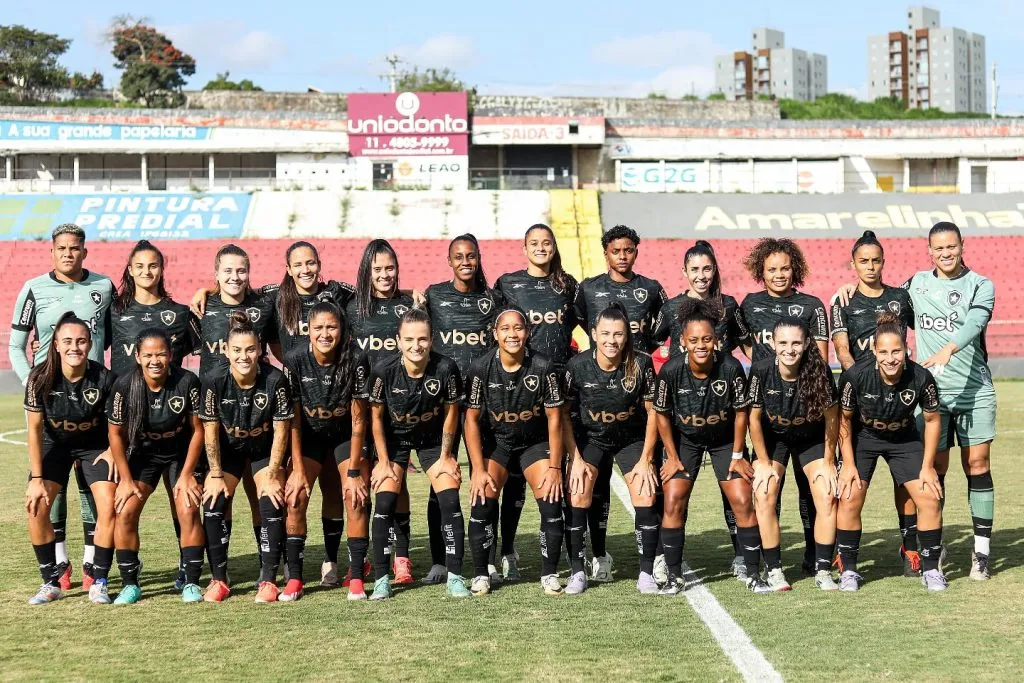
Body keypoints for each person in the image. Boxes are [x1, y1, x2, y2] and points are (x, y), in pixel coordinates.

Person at [834, 222, 997, 581]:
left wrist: (947, 350)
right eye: (938, 249)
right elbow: (879, 296)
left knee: (978, 463)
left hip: (973, 389)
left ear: (962, 245)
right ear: (929, 251)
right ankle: (923, 549)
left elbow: (974, 323)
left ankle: (981, 551)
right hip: (931, 394)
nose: (945, 253)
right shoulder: (915, 286)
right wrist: (853, 289)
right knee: (930, 472)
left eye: (951, 247)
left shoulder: (982, 285)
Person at [11, 224, 114, 593]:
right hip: (48, 403)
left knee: (92, 487)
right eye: (62, 248)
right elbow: (15, 347)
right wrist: (35, 387)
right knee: (47, 488)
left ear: (84, 252)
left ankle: (91, 564)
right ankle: (58, 563)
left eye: (75, 248)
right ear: (52, 252)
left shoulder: (103, 287)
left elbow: (117, 342)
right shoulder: (33, 290)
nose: (68, 253)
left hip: (91, 399)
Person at [652, 299, 770, 594]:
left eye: (706, 339)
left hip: (724, 441)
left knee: (742, 500)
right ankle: (674, 575)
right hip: (685, 440)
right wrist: (672, 455)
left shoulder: (731, 368)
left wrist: (738, 454)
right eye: (693, 340)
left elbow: (741, 412)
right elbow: (662, 415)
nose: (701, 345)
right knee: (673, 499)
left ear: (716, 339)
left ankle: (755, 573)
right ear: (682, 341)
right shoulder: (670, 371)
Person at [652, 239, 751, 580]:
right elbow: (650, 344)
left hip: (721, 408)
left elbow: (748, 346)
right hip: (684, 416)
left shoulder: (728, 305)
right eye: (694, 269)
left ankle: (742, 556)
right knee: (676, 493)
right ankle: (669, 560)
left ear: (715, 271)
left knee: (734, 493)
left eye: (707, 268)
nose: (701, 275)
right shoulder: (671, 308)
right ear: (684, 272)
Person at [574, 224, 667, 583]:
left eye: (629, 250)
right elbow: (581, 323)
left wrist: (638, 359)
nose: (623, 256)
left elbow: (664, 327)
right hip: (598, 386)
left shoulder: (652, 289)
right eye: (616, 250)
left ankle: (656, 555)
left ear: (636, 252)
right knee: (593, 490)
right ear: (606, 253)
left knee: (648, 480)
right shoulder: (590, 288)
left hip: (636, 386)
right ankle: (599, 556)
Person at [491, 224, 579, 581]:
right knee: (513, 477)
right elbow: (495, 328)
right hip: (518, 389)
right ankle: (508, 548)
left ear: (554, 247)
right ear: (524, 248)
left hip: (558, 392)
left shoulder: (568, 285)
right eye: (534, 243)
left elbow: (585, 325)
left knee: (561, 472)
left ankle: (576, 547)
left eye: (546, 243)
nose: (541, 248)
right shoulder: (507, 284)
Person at [110, 239, 200, 589]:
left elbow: (209, 346)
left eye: (154, 265)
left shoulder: (177, 313)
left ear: (162, 270)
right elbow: (83, 344)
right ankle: (104, 572)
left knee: (185, 502)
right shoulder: (114, 310)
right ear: (130, 270)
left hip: (176, 423)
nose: (147, 272)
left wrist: (207, 291)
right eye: (140, 266)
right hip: (132, 430)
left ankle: (187, 569)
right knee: (118, 503)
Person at [830, 230, 920, 577]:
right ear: (853, 264)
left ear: (884, 262)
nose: (870, 266)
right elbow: (841, 349)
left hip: (898, 406)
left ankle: (909, 547)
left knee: (907, 484)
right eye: (863, 261)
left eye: (876, 260)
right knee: (850, 484)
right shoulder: (842, 301)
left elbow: (921, 331)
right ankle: (845, 553)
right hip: (858, 405)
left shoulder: (900, 298)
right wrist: (865, 387)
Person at [836, 312, 947, 591]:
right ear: (873, 350)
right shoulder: (855, 376)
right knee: (849, 497)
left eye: (896, 350)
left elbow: (932, 420)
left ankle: (931, 569)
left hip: (904, 440)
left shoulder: (922, 377)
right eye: (883, 351)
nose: (890, 358)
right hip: (864, 438)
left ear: (906, 350)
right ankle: (849, 570)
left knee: (930, 498)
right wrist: (848, 464)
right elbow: (844, 421)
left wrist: (928, 465)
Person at [366, 308, 470, 599]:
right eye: (409, 339)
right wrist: (384, 461)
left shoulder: (446, 368)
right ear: (398, 341)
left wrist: (448, 455)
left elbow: (452, 413)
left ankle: (455, 577)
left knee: (450, 500)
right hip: (394, 442)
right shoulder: (383, 371)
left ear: (431, 340)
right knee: (385, 501)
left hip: (433, 441)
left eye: (422, 339)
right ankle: (382, 580)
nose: (416, 346)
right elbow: (375, 418)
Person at [739, 237, 829, 575]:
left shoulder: (811, 305)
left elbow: (820, 355)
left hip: (807, 413)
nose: (779, 274)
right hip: (770, 411)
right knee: (767, 490)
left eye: (785, 268)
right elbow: (746, 345)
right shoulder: (750, 304)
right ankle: (769, 560)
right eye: (772, 269)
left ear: (796, 269)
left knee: (810, 491)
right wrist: (770, 372)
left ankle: (812, 555)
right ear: (761, 271)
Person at [463, 306, 566, 596]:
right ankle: (482, 574)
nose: (512, 334)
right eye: (505, 328)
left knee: (550, 498)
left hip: (534, 443)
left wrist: (556, 467)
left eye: (518, 328)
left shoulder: (544, 367)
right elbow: (470, 420)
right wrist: (479, 469)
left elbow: (555, 418)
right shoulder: (480, 368)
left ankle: (549, 574)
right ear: (495, 334)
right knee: (482, 498)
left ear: (528, 331)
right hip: (496, 443)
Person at [562, 303, 660, 595]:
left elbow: (654, 412)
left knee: (646, 491)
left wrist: (646, 459)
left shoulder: (641, 363)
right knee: (578, 491)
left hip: (630, 439)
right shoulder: (576, 366)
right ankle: (578, 572)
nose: (611, 340)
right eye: (605, 333)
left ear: (626, 336)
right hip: (590, 439)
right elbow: (563, 415)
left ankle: (646, 573)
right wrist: (575, 458)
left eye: (618, 334)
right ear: (593, 334)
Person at [421, 234, 502, 584]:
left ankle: (491, 556)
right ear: (449, 260)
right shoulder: (434, 296)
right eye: (458, 256)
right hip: (446, 406)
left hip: (487, 403)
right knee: (442, 479)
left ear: (479, 258)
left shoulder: (494, 299)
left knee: (489, 480)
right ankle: (440, 560)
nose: (465, 261)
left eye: (471, 256)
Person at [199, 312, 293, 603]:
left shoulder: (275, 380)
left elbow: (281, 430)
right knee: (214, 502)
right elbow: (210, 431)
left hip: (264, 451)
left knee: (271, 501)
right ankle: (219, 579)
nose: (244, 356)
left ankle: (267, 580)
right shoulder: (214, 381)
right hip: (229, 452)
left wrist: (274, 473)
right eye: (237, 350)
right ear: (226, 351)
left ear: (260, 350)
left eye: (250, 349)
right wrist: (215, 475)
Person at [23, 313, 116, 604]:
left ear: (90, 344)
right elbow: (35, 429)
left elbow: (117, 425)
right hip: (55, 445)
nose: (74, 347)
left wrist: (114, 450)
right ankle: (50, 581)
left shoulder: (104, 378)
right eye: (68, 341)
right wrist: (37, 479)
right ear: (56, 346)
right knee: (37, 506)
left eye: (81, 341)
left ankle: (99, 579)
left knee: (109, 507)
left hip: (95, 446)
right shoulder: (39, 377)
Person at [106, 329, 206, 603]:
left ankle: (191, 581)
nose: (155, 360)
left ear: (171, 355)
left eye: (161, 354)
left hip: (180, 454)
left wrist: (187, 474)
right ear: (137, 356)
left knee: (187, 508)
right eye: (148, 355)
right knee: (125, 510)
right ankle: (130, 583)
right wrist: (125, 479)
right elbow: (115, 434)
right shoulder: (124, 385)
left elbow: (199, 430)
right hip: (144, 455)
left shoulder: (187, 381)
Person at [281, 302, 372, 601]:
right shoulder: (294, 360)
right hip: (309, 438)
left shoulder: (357, 358)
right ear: (308, 331)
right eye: (318, 328)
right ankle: (294, 579)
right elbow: (292, 419)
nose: (325, 333)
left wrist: (356, 470)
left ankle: (356, 576)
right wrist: (295, 469)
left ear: (342, 330)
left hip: (346, 436)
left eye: (331, 327)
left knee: (355, 497)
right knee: (294, 497)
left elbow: (359, 419)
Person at [195, 244, 277, 569]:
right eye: (227, 271)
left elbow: (279, 349)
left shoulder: (264, 307)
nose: (235, 276)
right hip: (218, 423)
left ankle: (268, 562)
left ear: (249, 272)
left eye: (241, 270)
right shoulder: (202, 309)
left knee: (260, 496)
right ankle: (219, 568)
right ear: (216, 274)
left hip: (258, 418)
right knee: (220, 497)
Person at [747, 317, 840, 592]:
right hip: (774, 439)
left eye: (796, 342)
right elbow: (753, 419)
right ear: (773, 344)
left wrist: (828, 460)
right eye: (784, 343)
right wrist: (763, 462)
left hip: (810, 439)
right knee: (765, 491)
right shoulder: (762, 371)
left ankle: (823, 569)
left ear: (807, 343)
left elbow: (832, 418)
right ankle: (774, 569)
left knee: (826, 493)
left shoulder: (819, 370)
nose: (790, 349)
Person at [345, 239, 416, 586]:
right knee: (358, 485)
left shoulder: (410, 304)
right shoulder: (350, 308)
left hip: (397, 413)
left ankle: (401, 557)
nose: (385, 274)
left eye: (390, 268)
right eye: (378, 269)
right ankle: (360, 560)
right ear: (366, 272)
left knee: (395, 485)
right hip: (359, 413)